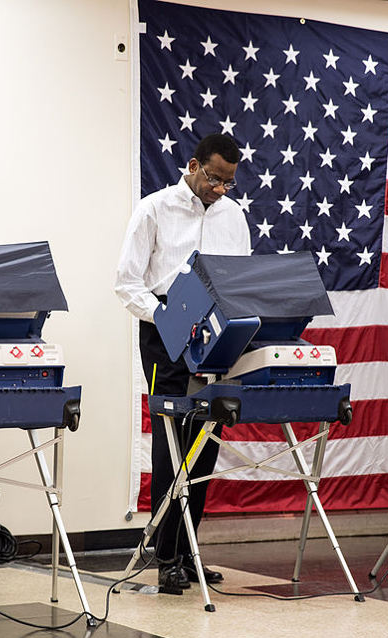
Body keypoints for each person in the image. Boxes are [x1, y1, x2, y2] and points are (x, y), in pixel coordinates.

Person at [114, 133, 251, 594]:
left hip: (216, 332)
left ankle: (190, 552)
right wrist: (166, 317)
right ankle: (166, 555)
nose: (219, 189)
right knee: (171, 444)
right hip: (164, 330)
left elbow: (240, 277)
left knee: (205, 440)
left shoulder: (234, 215)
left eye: (228, 182)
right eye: (213, 178)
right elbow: (127, 283)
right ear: (192, 165)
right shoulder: (154, 208)